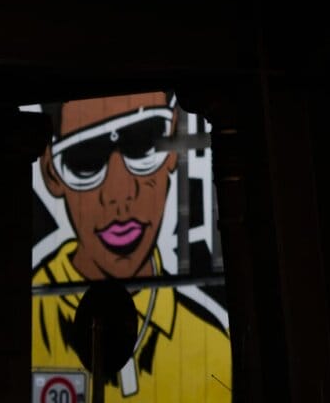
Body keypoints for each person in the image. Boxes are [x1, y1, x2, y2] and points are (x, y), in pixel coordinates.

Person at [32, 92, 231, 400]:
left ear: (172, 142)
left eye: (143, 144)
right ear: (51, 172)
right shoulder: (26, 323)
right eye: (86, 160)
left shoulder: (211, 339)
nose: (119, 193)